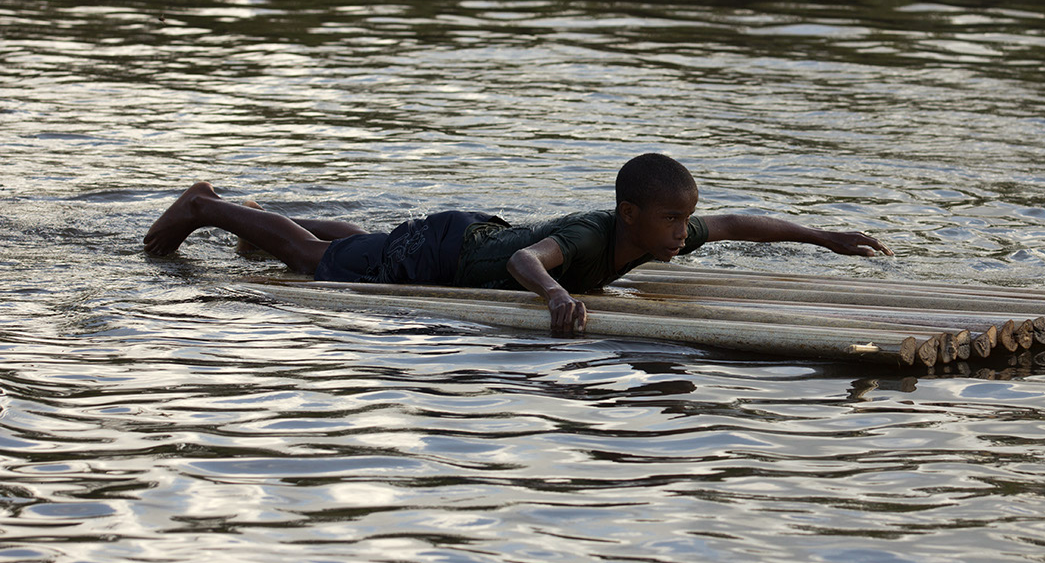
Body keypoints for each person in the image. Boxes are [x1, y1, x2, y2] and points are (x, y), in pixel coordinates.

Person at [143, 153, 892, 335]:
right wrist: (558, 294)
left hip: (457, 235)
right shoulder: (597, 233)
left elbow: (734, 225)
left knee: (366, 244)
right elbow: (524, 261)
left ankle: (253, 219)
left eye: (682, 222)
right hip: (450, 254)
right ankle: (207, 208)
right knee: (315, 264)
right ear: (631, 214)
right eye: (670, 221)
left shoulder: (655, 237)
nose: (683, 231)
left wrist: (824, 237)